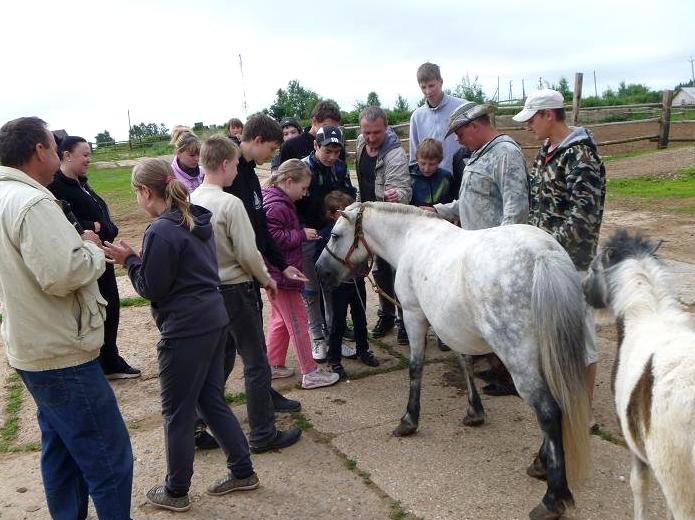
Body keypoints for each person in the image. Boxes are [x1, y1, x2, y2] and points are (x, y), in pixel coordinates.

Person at [104, 158, 258, 513]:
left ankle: (176, 491)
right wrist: (138, 258)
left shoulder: (160, 230)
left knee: (178, 413)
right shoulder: (195, 215)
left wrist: (129, 260)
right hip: (215, 319)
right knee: (209, 401)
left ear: (144, 192)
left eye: (136, 192)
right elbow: (180, 270)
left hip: (186, 330)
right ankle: (242, 470)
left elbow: (152, 287)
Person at [0, 117, 133, 519]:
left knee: (60, 451)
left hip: (31, 346)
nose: (59, 153)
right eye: (54, 147)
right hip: (61, 352)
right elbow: (62, 275)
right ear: (39, 151)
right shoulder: (33, 202)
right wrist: (90, 248)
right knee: (109, 458)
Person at [190, 135, 302, 453]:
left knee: (222, 359)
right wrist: (267, 278)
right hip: (237, 290)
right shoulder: (230, 203)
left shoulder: (193, 199)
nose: (238, 171)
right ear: (224, 164)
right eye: (236, 165)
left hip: (210, 292)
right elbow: (248, 252)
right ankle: (263, 432)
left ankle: (199, 418)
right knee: (255, 362)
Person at [513, 88, 606, 427]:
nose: (527, 126)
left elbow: (583, 216)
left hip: (573, 263)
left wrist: (548, 248)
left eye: (531, 119)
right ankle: (564, 400)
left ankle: (584, 412)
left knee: (581, 338)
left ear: (548, 115)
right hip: (547, 262)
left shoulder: (580, 156)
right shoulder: (547, 152)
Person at [433, 100, 529, 396]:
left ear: (475, 126)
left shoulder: (504, 154)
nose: (458, 140)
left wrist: (501, 255)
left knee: (504, 321)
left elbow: (515, 209)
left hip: (495, 257)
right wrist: (436, 210)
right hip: (477, 252)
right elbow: (469, 203)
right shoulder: (479, 155)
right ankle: (502, 373)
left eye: (459, 133)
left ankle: (517, 378)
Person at [224, 113, 303, 413]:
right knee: (238, 352)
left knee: (250, 348)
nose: (273, 155)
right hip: (235, 277)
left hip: (250, 274)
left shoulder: (249, 174)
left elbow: (260, 228)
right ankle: (255, 423)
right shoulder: (230, 177)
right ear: (256, 141)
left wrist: (281, 265)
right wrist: (263, 273)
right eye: (271, 148)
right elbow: (238, 237)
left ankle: (263, 395)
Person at [48, 136, 140, 380]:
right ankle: (102, 363)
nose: (89, 159)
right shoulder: (56, 186)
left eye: (90, 154)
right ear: (66, 155)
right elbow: (66, 222)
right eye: (84, 155)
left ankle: (109, 360)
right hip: (86, 259)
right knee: (95, 312)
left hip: (102, 255)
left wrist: (104, 225)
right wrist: (93, 225)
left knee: (111, 307)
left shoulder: (81, 183)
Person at [262, 159, 340, 389]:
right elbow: (273, 238)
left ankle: (273, 364)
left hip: (276, 275)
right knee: (298, 322)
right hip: (283, 276)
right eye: (303, 188)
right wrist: (301, 234)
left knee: (279, 321)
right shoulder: (278, 205)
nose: (305, 194)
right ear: (288, 181)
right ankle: (310, 372)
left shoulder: (276, 199)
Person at [299, 125, 357, 362]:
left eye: (337, 151)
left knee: (332, 287)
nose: (332, 157)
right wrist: (300, 230)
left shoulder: (341, 168)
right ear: (315, 145)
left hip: (333, 235)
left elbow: (349, 196)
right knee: (311, 290)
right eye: (327, 151)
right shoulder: (303, 168)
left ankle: (335, 335)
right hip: (307, 237)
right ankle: (317, 337)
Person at [354, 106, 411, 344]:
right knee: (379, 271)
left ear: (386, 128)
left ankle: (405, 321)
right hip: (371, 220)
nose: (370, 138)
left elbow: (404, 191)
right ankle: (386, 315)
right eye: (366, 132)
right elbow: (362, 180)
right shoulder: (359, 144)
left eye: (376, 132)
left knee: (398, 274)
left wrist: (396, 194)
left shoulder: (395, 154)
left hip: (391, 222)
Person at [317, 191, 380, 381]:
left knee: (360, 318)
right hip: (340, 285)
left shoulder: (353, 232)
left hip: (357, 281)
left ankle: (363, 350)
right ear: (331, 214)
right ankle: (334, 359)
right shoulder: (330, 233)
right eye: (342, 212)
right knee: (338, 322)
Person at [409, 62, 465, 174]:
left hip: (461, 175)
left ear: (441, 82)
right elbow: (414, 154)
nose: (428, 92)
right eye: (423, 87)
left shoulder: (461, 107)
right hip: (433, 182)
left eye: (431, 85)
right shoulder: (417, 117)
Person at [272, 100, 344, 171]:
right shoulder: (290, 146)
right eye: (326, 126)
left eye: (334, 128)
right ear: (314, 121)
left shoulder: (337, 145)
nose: (330, 131)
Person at [409, 138, 455, 208]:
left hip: (438, 217)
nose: (426, 169)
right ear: (417, 159)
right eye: (423, 163)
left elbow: (450, 204)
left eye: (432, 164)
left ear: (440, 161)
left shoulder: (446, 178)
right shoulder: (409, 176)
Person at [170, 126, 203, 192]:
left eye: (198, 154)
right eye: (192, 155)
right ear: (178, 153)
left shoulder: (202, 172)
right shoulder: (171, 177)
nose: (197, 159)